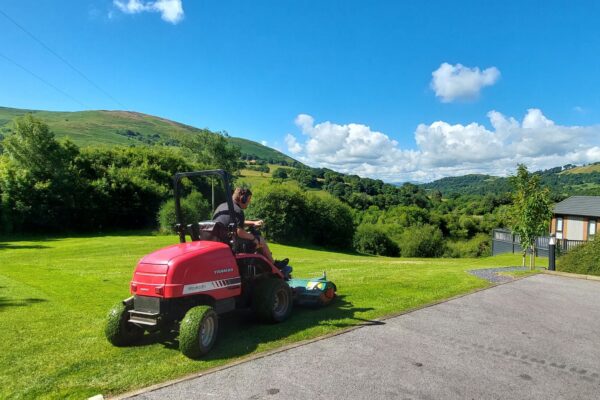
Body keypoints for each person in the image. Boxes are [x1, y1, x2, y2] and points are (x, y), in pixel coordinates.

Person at [212, 187, 288, 268]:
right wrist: (253, 238)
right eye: (248, 199)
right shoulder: (237, 210)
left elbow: (234, 224)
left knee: (251, 236)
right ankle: (274, 264)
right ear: (243, 199)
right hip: (232, 244)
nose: (249, 202)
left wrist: (253, 223)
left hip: (221, 241)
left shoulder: (222, 207)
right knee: (260, 239)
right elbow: (239, 232)